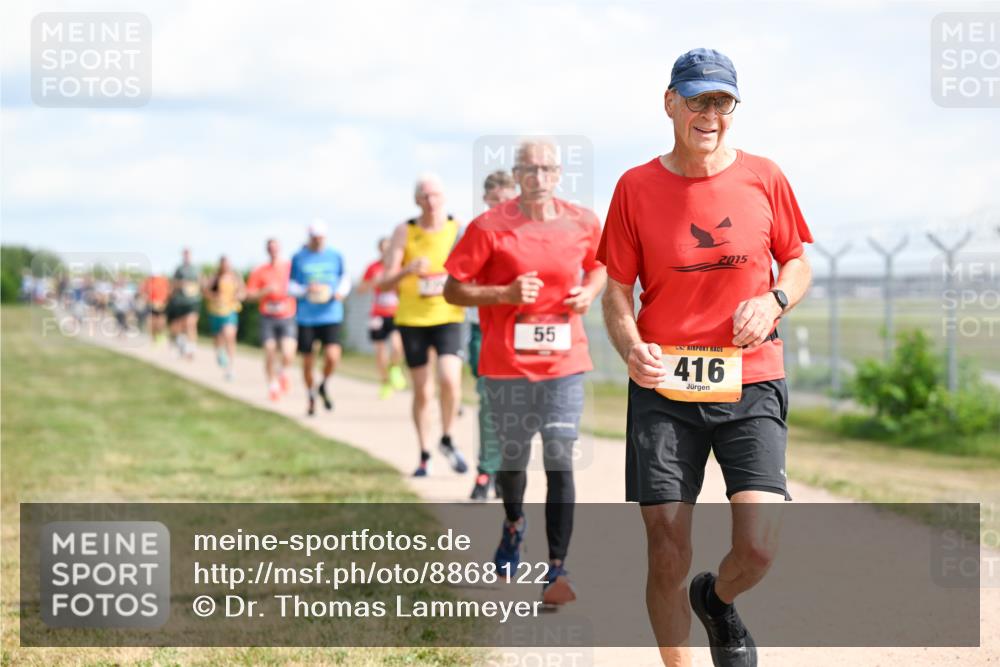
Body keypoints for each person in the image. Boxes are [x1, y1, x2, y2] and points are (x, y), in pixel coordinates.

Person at [598, 48, 813, 667]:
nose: (709, 113)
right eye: (697, 100)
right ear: (670, 103)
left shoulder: (764, 176)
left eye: (721, 101)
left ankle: (716, 602)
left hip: (751, 380)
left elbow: (797, 261)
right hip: (666, 387)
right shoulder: (635, 187)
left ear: (734, 109)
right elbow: (616, 289)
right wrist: (631, 346)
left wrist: (774, 300)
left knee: (760, 549)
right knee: (666, 542)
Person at [444, 140, 606, 604]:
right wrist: (504, 294)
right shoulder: (490, 227)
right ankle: (514, 521)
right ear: (517, 175)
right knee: (512, 460)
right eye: (528, 169)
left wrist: (589, 292)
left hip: (564, 361)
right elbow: (454, 290)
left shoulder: (582, 221)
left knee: (558, 452)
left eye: (547, 168)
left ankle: (557, 569)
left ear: (559, 174)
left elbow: (602, 266)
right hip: (506, 366)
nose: (538, 176)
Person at [380, 175, 468, 477]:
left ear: (444, 197)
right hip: (412, 319)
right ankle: (424, 453)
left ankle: (447, 437)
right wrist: (406, 270)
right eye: (425, 196)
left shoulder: (459, 229)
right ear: (417, 200)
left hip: (448, 315)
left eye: (436, 195)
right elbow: (383, 281)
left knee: (450, 380)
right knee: (422, 391)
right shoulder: (405, 231)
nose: (431, 201)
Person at [468, 170, 517, 501]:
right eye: (495, 201)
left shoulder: (526, 233)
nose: (502, 207)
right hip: (482, 329)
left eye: (507, 201)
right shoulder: (474, 232)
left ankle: (505, 470)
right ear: (486, 200)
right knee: (490, 399)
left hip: (520, 331)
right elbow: (457, 281)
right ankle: (486, 470)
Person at [290, 220, 350, 416]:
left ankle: (323, 384)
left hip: (330, 314)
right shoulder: (299, 257)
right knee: (308, 361)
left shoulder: (335, 255)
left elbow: (345, 279)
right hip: (307, 317)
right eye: (314, 238)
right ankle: (310, 396)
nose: (317, 241)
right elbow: (290, 286)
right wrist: (306, 290)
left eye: (320, 238)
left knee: (333, 356)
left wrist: (338, 292)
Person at [246, 239, 298, 401]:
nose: (273, 250)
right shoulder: (260, 271)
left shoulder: (290, 268)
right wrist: (265, 291)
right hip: (268, 316)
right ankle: (273, 386)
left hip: (287, 315)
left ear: (280, 249)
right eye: (270, 248)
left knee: (288, 353)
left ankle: (282, 372)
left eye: (276, 247)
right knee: (269, 352)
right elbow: (250, 295)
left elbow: (300, 285)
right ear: (267, 250)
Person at [357, 237, 407, 400]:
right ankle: (385, 381)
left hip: (396, 313)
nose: (386, 251)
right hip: (377, 314)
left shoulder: (399, 267)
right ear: (379, 249)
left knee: (397, 346)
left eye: (389, 247)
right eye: (383, 248)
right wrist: (374, 282)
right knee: (380, 353)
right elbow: (361, 289)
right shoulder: (373, 267)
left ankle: (395, 369)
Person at [204, 255, 246, 381]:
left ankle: (231, 368)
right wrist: (215, 296)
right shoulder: (215, 277)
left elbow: (243, 292)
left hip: (231, 311)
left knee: (230, 336)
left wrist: (239, 296)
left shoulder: (235, 277)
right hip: (216, 312)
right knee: (218, 337)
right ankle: (219, 352)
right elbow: (206, 292)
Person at [166, 248, 202, 359]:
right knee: (180, 326)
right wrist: (181, 284)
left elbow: (201, 283)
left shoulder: (196, 269)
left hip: (193, 301)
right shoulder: (179, 269)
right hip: (180, 302)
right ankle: (181, 346)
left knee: (191, 323)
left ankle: (191, 349)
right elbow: (173, 285)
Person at [140, 273, 170, 346]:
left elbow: (168, 292)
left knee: (160, 322)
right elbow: (143, 291)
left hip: (161, 305)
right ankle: (153, 339)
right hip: (151, 304)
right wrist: (147, 300)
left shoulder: (163, 280)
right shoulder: (148, 281)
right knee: (151, 322)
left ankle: (160, 336)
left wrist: (164, 302)